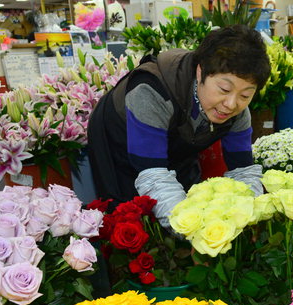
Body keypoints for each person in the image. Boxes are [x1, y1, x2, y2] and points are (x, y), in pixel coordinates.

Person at [87, 25, 271, 228]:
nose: (231, 104)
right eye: (224, 89)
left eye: (245, 95)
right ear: (200, 72)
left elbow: (243, 171)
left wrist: (248, 218)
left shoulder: (237, 111)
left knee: (189, 194)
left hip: (177, 135)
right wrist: (192, 231)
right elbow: (153, 175)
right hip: (119, 137)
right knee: (128, 217)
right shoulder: (151, 92)